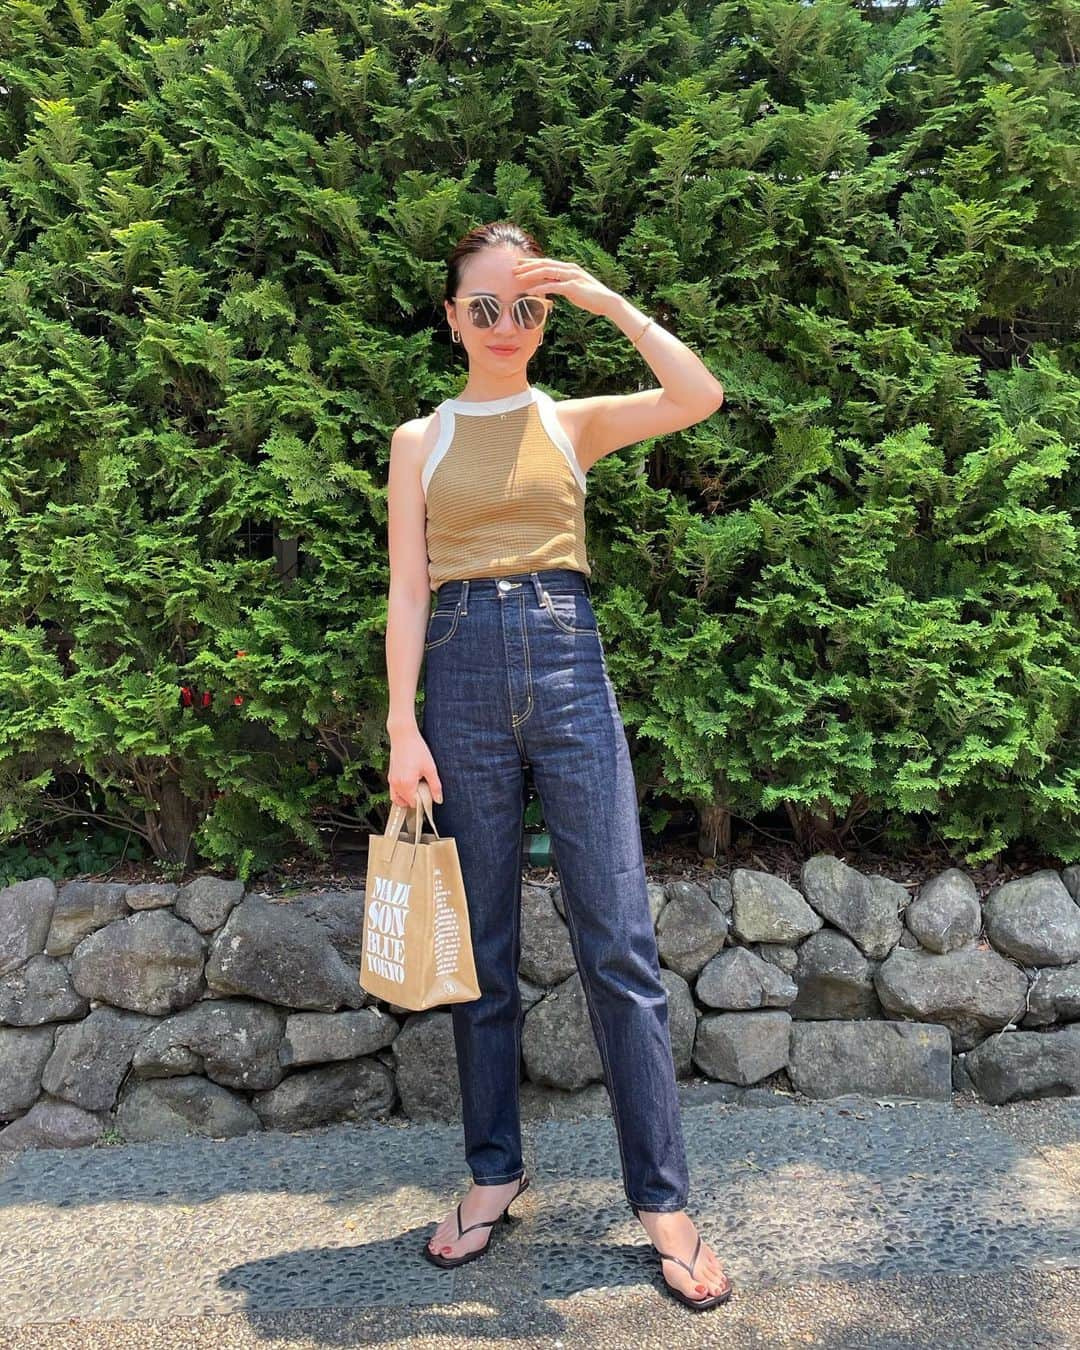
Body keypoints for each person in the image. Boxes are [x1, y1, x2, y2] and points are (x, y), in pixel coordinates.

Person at [384, 220, 732, 1311]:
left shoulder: (565, 419)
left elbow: (698, 395)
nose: (502, 325)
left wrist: (608, 303)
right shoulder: (420, 439)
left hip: (568, 659)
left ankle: (663, 1200)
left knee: (618, 936)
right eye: (481, 306)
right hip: (462, 673)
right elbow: (406, 586)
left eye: (523, 306)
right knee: (478, 946)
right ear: (450, 316)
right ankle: (493, 1174)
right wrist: (403, 726)